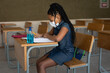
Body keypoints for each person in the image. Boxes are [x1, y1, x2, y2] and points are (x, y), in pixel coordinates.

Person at [36, 3, 75, 73]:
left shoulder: (65, 25)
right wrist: (40, 35)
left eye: (51, 20)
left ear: (57, 16)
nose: (51, 22)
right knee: (38, 62)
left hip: (66, 52)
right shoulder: (57, 25)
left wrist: (47, 36)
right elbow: (50, 33)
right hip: (58, 49)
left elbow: (57, 38)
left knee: (41, 65)